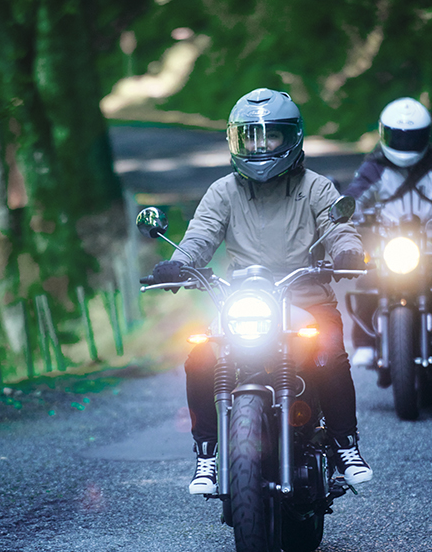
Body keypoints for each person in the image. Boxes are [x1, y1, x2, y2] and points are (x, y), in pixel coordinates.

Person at [150, 87, 373, 494]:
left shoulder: (317, 187)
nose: (261, 145)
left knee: (330, 355)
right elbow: (200, 235)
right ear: (235, 141)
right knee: (201, 356)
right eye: (250, 136)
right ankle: (206, 452)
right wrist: (179, 264)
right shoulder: (224, 191)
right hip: (244, 301)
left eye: (271, 135)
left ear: (292, 138)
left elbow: (338, 228)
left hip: (305, 297)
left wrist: (348, 252)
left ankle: (345, 444)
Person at [345, 97, 432, 369]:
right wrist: (347, 207)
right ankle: (365, 343)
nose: (405, 144)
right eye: (398, 137)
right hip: (387, 240)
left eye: (412, 137)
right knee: (368, 282)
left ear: (425, 136)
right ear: (384, 133)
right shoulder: (375, 166)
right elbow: (356, 192)